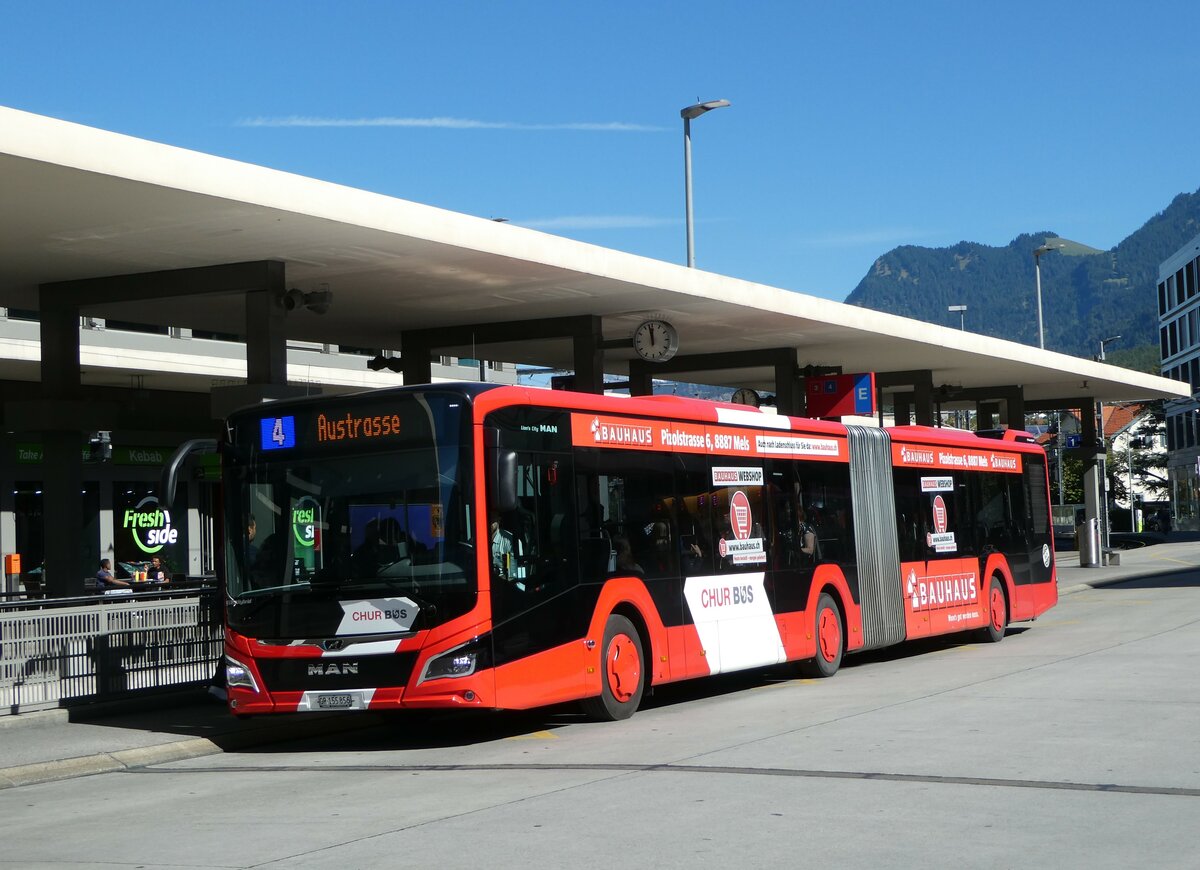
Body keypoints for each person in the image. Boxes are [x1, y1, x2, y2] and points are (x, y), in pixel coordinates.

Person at [489, 511, 518, 579]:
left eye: (492, 520)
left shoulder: (509, 541)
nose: (488, 523)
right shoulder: (477, 540)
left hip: (505, 584)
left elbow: (513, 574)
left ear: (498, 520)